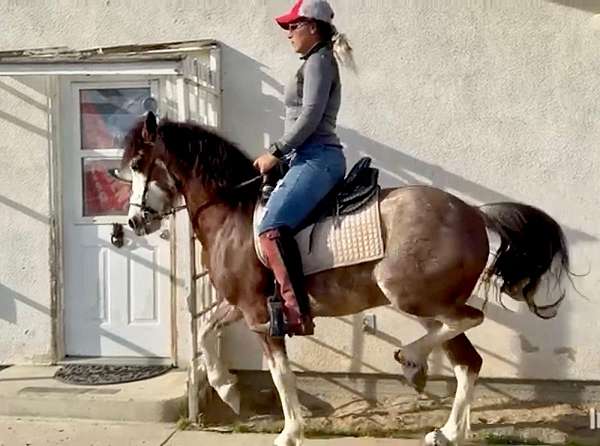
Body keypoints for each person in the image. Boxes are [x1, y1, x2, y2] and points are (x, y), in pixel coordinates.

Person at [253, 0, 354, 337]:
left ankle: (297, 314)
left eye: (293, 26)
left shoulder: (319, 61)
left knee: (271, 226)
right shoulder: (315, 60)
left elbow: (310, 116)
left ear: (313, 26)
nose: (289, 34)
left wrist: (276, 151)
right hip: (306, 157)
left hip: (317, 157)